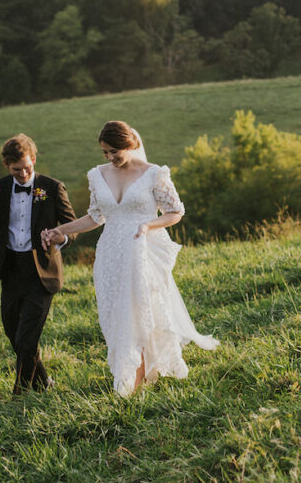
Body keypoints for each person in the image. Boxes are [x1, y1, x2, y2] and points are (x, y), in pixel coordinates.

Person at [42, 120, 219, 396]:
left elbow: (175, 212)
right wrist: (60, 230)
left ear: (131, 145)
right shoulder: (97, 175)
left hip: (141, 249)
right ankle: (135, 376)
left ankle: (132, 384)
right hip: (111, 253)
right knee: (115, 316)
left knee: (139, 313)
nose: (111, 158)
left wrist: (148, 225)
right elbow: (95, 217)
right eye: (105, 152)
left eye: (115, 151)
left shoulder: (154, 174)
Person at [0, 134, 76, 395]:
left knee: (26, 337)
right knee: (13, 333)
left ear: (33, 159)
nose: (22, 174)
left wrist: (60, 236)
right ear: (5, 166)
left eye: (27, 167)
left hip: (41, 271)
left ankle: (20, 393)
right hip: (10, 270)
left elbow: (71, 225)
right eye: (16, 170)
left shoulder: (53, 187)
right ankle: (43, 383)